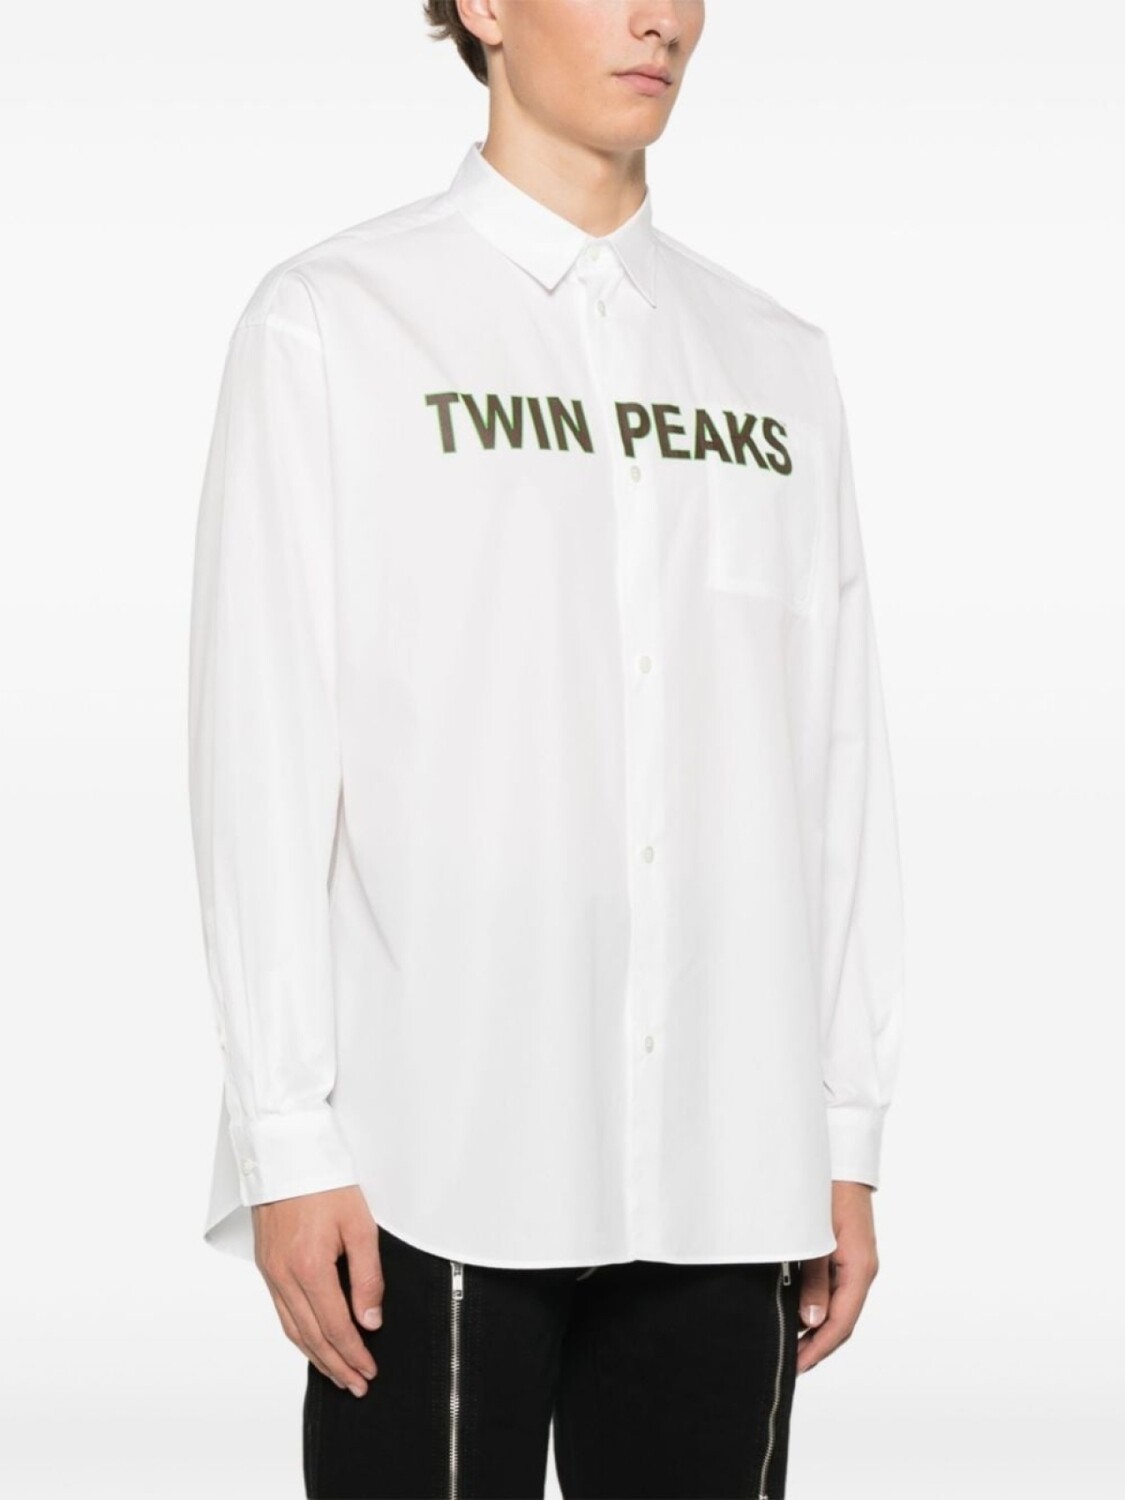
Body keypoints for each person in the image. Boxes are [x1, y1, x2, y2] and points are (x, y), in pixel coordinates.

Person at [186, 2, 906, 1496]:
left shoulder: (775, 363)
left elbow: (836, 760)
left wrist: (843, 1125)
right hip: (434, 1154)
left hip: (728, 1155)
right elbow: (262, 743)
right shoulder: (336, 321)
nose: (661, 20)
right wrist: (284, 1136)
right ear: (483, 7)